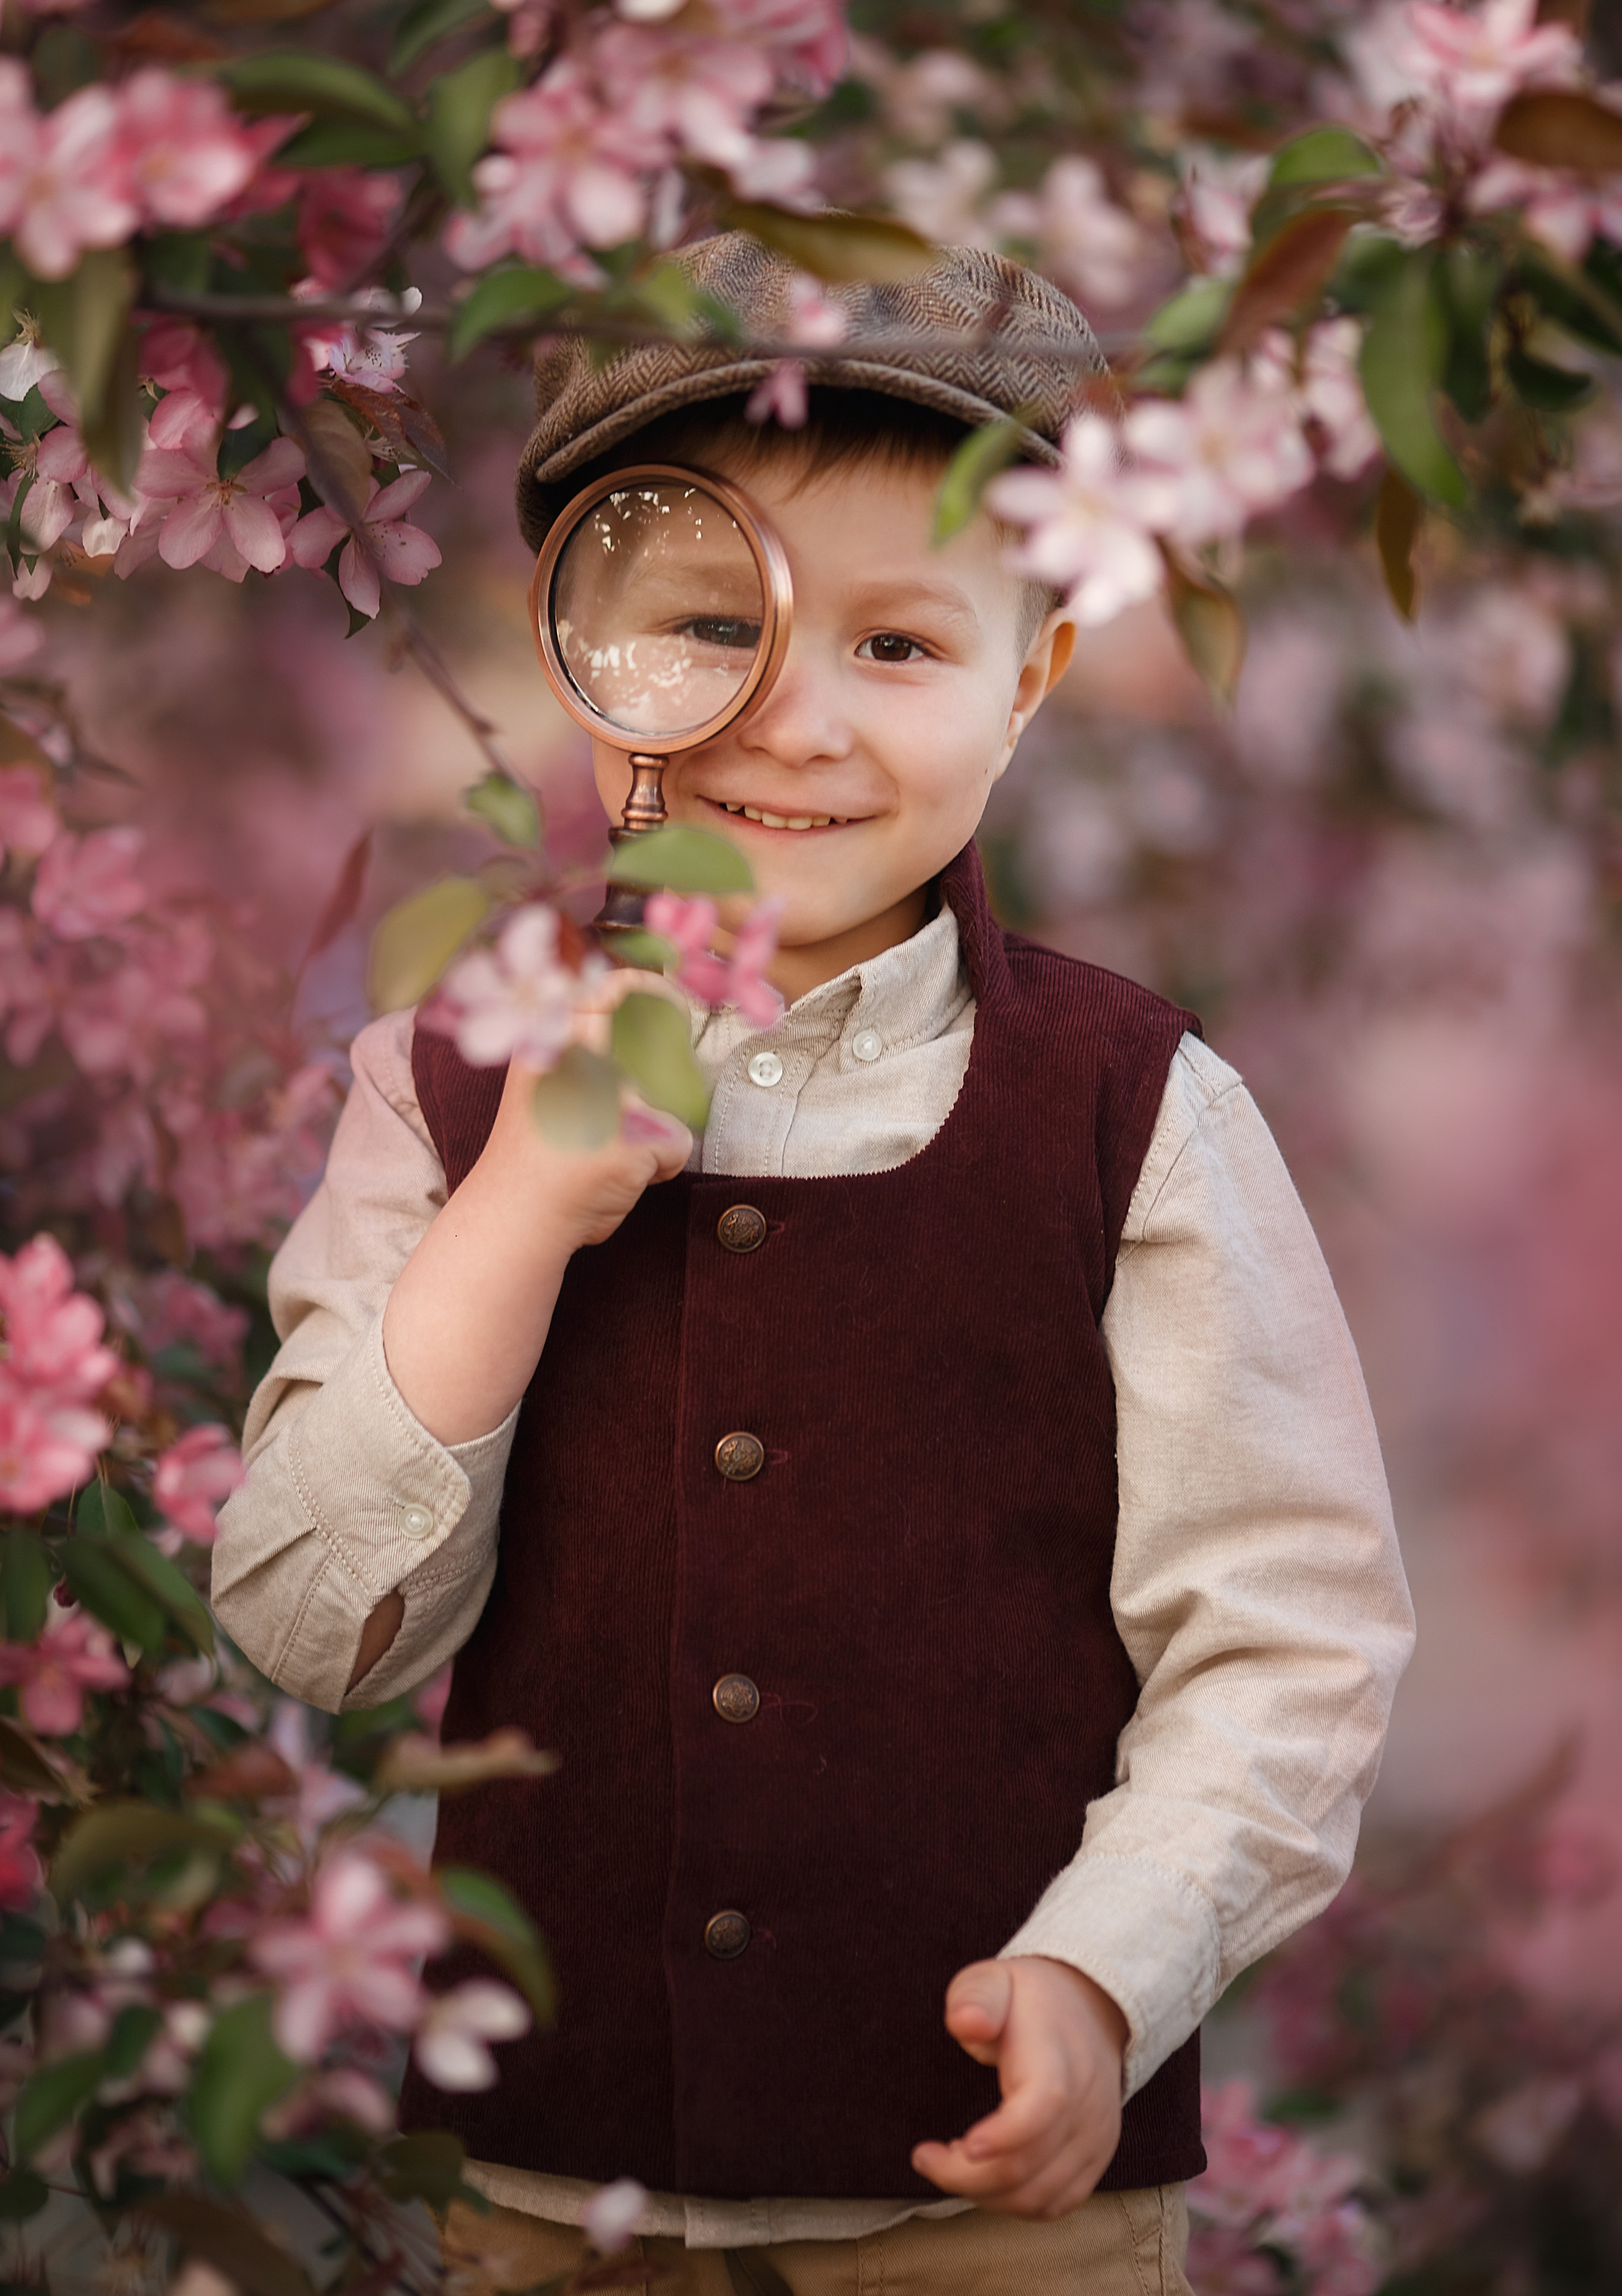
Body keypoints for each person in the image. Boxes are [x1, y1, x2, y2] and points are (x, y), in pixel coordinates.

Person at [211, 235, 1415, 2296]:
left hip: (988, 2223)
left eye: (899, 647)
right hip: (545, 2213)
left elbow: (1288, 1634)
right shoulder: (444, 1089)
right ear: (579, 646)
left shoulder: (1140, 1110)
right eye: (708, 622)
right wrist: (514, 1220)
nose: (794, 719)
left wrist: (1107, 1972)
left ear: (1027, 684)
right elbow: (318, 1631)